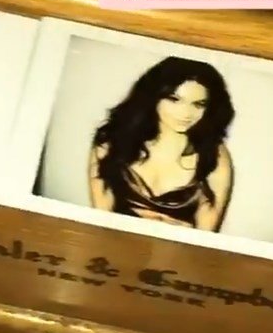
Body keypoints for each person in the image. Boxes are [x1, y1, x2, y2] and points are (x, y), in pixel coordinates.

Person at [89, 56, 234, 231]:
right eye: (174, 99)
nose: (186, 113)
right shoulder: (110, 141)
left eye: (198, 104)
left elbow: (204, 235)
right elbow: (100, 221)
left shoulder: (214, 155)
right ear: (153, 96)